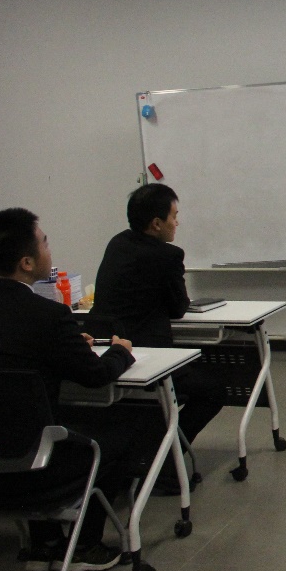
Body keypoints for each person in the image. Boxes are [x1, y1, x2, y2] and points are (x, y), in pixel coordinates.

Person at [0, 207, 161, 571]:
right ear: (27, 262)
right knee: (119, 437)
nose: (50, 249)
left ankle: (45, 541)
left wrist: (70, 344)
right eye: (45, 242)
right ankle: (82, 546)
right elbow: (96, 374)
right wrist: (121, 351)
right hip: (36, 469)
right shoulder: (49, 316)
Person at [91, 184, 223, 454]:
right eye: (174, 216)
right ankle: (165, 455)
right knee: (214, 391)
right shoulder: (168, 255)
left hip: (106, 352)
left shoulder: (117, 243)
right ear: (156, 223)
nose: (177, 222)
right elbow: (178, 307)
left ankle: (151, 448)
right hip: (147, 359)